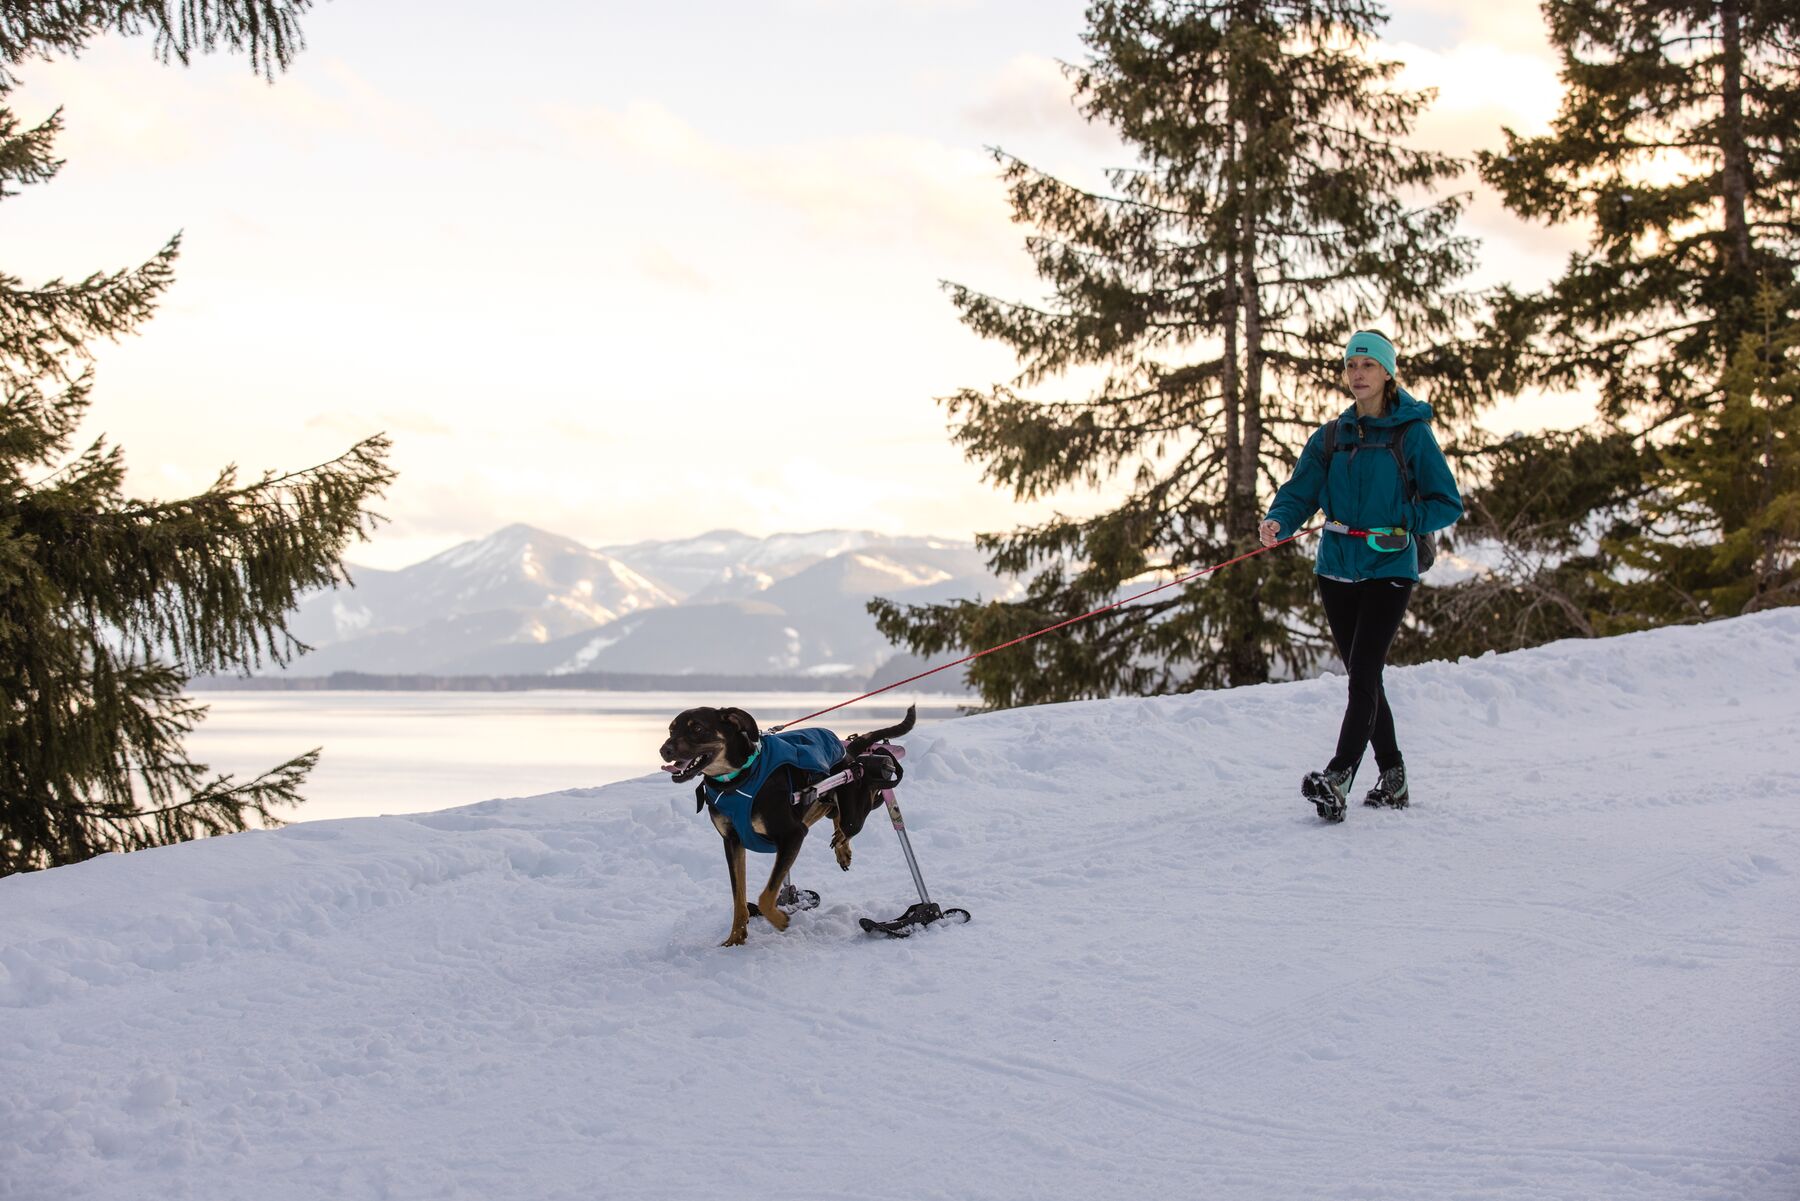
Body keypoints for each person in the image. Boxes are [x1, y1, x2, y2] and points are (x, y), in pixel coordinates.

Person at [1258, 329, 1463, 822]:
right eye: (1351, 366)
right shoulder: (1331, 436)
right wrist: (1279, 521)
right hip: (1336, 570)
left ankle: (1339, 775)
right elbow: (1299, 490)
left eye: (1367, 366)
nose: (1357, 374)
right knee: (1363, 676)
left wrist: (1405, 521)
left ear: (1387, 372)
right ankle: (1393, 776)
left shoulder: (1411, 434)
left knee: (1365, 673)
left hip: (1390, 565)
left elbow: (1446, 502)